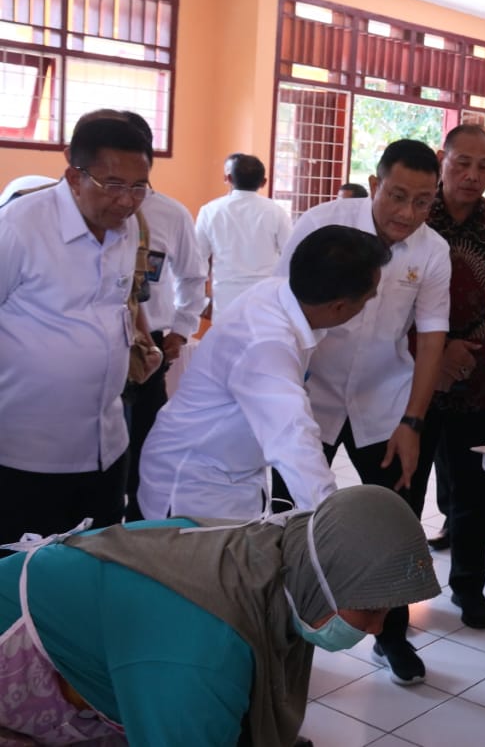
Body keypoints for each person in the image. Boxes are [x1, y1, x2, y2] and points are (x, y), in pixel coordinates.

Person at [0, 485, 439, 746]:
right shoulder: (201, 649)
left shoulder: (280, 555)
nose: (378, 628)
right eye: (369, 609)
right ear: (321, 581)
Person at [273, 139, 450, 683]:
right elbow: (282, 305)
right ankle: (280, 630)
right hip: (310, 395)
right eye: (397, 196)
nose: (407, 213)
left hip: (385, 399)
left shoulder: (432, 250)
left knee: (395, 522)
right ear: (375, 185)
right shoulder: (320, 225)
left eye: (423, 202)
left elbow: (432, 336)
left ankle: (392, 637)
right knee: (286, 514)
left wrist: (413, 422)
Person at [138, 225, 389, 521]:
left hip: (230, 471)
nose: (369, 304)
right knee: (198, 565)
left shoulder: (280, 292)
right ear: (338, 306)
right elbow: (294, 440)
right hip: (195, 484)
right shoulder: (267, 345)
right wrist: (331, 522)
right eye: (368, 299)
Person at [0, 117, 152, 546]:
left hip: (106, 446)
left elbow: (116, 307)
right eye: (114, 185)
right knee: (24, 580)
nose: (127, 201)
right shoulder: (19, 227)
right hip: (27, 455)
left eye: (139, 187)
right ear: (74, 177)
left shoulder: (128, 227)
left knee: (96, 565)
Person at [420, 124, 485, 628]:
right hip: (414, 377)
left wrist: (465, 350)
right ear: (443, 159)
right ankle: (394, 600)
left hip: (481, 380)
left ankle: (469, 587)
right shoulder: (418, 214)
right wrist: (437, 352)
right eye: (462, 163)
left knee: (474, 496)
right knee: (404, 492)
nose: (473, 175)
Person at [108, 111, 208, 522]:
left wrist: (181, 332)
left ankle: (137, 531)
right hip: (94, 348)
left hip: (149, 350)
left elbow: (194, 276)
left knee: (145, 446)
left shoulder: (170, 214)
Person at [195, 153, 293, 317]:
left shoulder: (210, 211)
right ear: (263, 182)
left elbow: (197, 258)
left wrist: (201, 299)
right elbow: (290, 254)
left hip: (225, 296)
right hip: (266, 296)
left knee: (227, 340)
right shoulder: (276, 211)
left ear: (229, 178)